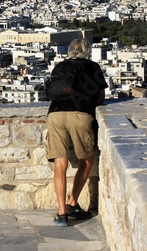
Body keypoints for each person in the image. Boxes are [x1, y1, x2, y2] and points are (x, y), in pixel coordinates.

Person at [46, 38, 108, 227]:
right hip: (80, 114)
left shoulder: (60, 66)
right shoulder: (93, 67)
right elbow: (100, 97)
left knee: (60, 164)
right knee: (87, 160)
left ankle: (62, 213)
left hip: (55, 114)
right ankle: (72, 202)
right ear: (87, 51)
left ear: (69, 51)